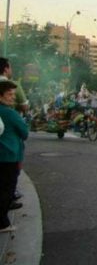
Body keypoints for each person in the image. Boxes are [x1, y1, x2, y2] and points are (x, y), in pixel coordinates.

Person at [0, 81, 29, 233]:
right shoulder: (10, 113)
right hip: (8, 155)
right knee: (7, 189)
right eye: (9, 94)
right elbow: (24, 132)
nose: (13, 98)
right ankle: (2, 223)